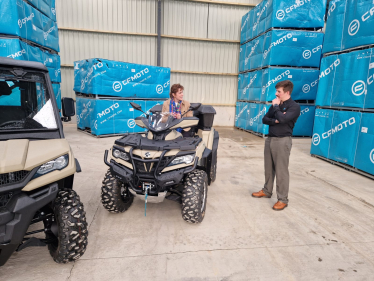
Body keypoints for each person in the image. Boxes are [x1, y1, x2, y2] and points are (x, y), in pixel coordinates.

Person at [252, 80, 300, 211]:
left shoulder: (294, 107)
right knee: (268, 168)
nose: (276, 94)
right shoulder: (276, 105)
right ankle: (267, 191)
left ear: (287, 92)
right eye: (276, 91)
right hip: (270, 139)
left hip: (283, 140)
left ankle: (282, 199)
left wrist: (277, 110)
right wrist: (276, 119)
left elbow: (284, 119)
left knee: (281, 171)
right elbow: (265, 119)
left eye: (279, 91)